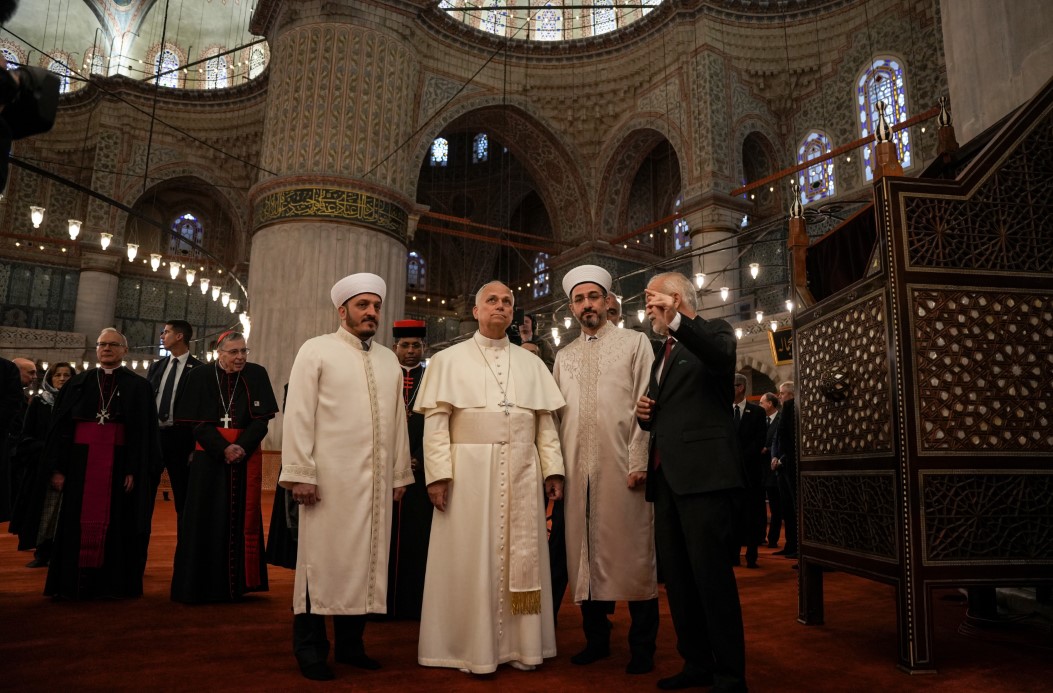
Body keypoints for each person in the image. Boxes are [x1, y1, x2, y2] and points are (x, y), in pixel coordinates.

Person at [416, 280, 565, 675]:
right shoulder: (449, 360)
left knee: (522, 555)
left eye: (507, 302)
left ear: (512, 312)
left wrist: (553, 469)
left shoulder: (532, 363)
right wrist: (438, 476)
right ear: (477, 310)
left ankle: (523, 646)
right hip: (469, 475)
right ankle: (469, 648)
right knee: (470, 557)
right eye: (492, 301)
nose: (500, 306)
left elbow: (544, 422)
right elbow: (436, 424)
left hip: (522, 468)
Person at [280, 273, 412, 682]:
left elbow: (398, 422)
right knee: (319, 563)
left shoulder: (389, 358)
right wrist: (301, 472)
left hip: (373, 485)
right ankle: (311, 648)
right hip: (328, 483)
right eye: (362, 305)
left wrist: (399, 474)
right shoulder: (316, 350)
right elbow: (298, 414)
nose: (371, 312)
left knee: (365, 563)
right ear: (343, 311)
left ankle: (352, 646)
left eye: (375, 305)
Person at [636, 272, 748, 692]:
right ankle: (697, 663)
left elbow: (719, 359)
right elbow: (667, 413)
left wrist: (680, 319)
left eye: (654, 299)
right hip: (667, 481)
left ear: (676, 297)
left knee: (711, 581)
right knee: (679, 584)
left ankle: (730, 675)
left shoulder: (715, 332)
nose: (648, 308)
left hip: (704, 480)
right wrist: (645, 415)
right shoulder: (660, 352)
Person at [552, 265, 658, 674]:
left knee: (633, 555)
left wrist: (639, 461)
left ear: (609, 301)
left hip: (625, 470)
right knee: (585, 557)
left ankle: (642, 647)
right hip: (579, 475)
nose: (587, 305)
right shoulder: (564, 356)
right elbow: (556, 420)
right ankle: (596, 640)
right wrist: (557, 471)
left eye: (593, 297)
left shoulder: (635, 344)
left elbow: (645, 406)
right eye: (579, 300)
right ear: (571, 308)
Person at [43, 329, 160, 600]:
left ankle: (112, 584)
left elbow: (142, 434)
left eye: (112, 344)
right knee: (73, 523)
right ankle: (71, 584)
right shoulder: (77, 383)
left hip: (119, 466)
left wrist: (133, 469)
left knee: (119, 521)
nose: (106, 348)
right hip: (79, 465)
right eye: (101, 344)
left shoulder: (138, 386)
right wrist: (58, 468)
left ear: (124, 350)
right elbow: (61, 431)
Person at [170, 331, 277, 604]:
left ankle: (238, 584)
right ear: (219, 352)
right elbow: (196, 423)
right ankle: (202, 585)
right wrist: (223, 448)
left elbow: (262, 420)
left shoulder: (257, 374)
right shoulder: (200, 377)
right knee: (205, 517)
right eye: (234, 352)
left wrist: (241, 446)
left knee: (242, 517)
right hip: (209, 459)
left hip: (245, 455)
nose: (240, 357)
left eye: (244, 351)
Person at [386, 319, 431, 620]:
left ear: (423, 348)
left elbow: (441, 423)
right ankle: (382, 602)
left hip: (421, 471)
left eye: (416, 346)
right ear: (395, 348)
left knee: (418, 538)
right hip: (385, 469)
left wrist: (417, 456)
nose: (411, 351)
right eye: (405, 346)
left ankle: (414, 604)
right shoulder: (385, 375)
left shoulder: (433, 378)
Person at [10, 363, 75, 567]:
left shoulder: (79, 403)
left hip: (71, 466)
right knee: (43, 511)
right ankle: (43, 552)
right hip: (42, 467)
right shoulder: (39, 402)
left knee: (64, 513)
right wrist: (48, 457)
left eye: (67, 375)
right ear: (50, 379)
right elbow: (26, 436)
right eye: (58, 375)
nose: (63, 378)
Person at [146, 320, 203, 527]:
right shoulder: (156, 367)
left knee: (184, 499)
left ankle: (186, 552)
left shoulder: (199, 370)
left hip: (183, 441)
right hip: (155, 439)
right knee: (145, 496)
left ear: (180, 336)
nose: (162, 335)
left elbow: (202, 411)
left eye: (166, 332)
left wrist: (196, 446)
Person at [733, 373, 768, 569]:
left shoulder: (756, 412)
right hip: (730, 474)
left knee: (752, 515)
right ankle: (733, 553)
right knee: (733, 515)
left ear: (740, 388)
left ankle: (752, 554)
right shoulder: (724, 411)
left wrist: (741, 458)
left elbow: (759, 440)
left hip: (750, 472)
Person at [771, 381, 798, 559]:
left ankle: (798, 547)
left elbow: (794, 441)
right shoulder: (784, 412)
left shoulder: (794, 411)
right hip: (780, 468)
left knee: (795, 510)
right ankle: (790, 544)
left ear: (791, 394)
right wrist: (774, 457)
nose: (779, 396)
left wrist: (781, 459)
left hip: (789, 466)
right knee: (787, 509)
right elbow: (776, 439)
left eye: (782, 393)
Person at [758, 393, 782, 548]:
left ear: (771, 404)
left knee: (776, 507)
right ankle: (760, 536)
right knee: (759, 506)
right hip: (760, 470)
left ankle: (773, 539)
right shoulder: (760, 419)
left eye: (762, 402)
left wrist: (768, 449)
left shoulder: (781, 419)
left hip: (775, 469)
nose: (760, 405)